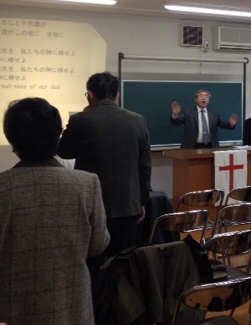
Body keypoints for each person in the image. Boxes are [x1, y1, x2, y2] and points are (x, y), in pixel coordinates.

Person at [0, 98, 110, 325]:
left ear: (13, 143)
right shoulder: (87, 183)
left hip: (14, 309)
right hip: (73, 306)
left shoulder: (4, 187)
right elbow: (98, 245)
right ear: (58, 137)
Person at [58, 71, 151, 257]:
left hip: (92, 203)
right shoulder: (138, 120)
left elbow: (63, 151)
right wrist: (142, 201)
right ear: (118, 95)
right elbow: (145, 166)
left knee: (94, 259)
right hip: (128, 203)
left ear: (90, 95)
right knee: (123, 260)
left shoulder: (80, 120)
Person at [170, 89, 238, 149]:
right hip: (192, 147)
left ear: (208, 100)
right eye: (201, 96)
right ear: (196, 99)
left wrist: (231, 124)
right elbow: (177, 122)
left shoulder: (214, 113)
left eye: (206, 96)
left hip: (211, 147)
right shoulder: (188, 112)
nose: (204, 98)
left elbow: (222, 123)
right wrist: (175, 115)